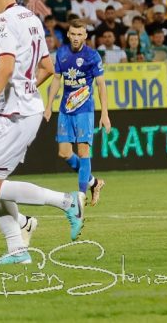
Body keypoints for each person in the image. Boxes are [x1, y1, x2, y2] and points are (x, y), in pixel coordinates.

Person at [0, 0, 84, 264]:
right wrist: (25, 89)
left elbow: (5, 68)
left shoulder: (3, 22)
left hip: (14, 115)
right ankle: (18, 250)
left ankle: (67, 202)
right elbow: (47, 67)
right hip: (23, 109)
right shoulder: (32, 19)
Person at [44, 19, 110, 207]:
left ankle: (80, 197)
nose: (75, 38)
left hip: (84, 110)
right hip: (65, 109)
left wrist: (104, 114)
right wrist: (49, 105)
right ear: (68, 34)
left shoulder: (92, 56)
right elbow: (56, 79)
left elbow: (101, 85)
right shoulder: (62, 53)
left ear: (85, 36)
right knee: (64, 153)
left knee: (83, 152)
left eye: (79, 34)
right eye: (73, 34)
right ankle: (94, 182)